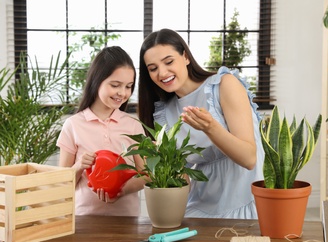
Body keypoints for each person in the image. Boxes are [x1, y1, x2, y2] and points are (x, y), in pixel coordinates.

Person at [138, 28, 264, 219]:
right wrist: (158, 165)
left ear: (186, 57)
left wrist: (210, 128)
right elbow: (184, 181)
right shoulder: (164, 113)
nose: (162, 73)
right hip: (201, 204)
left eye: (169, 62)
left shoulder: (223, 85)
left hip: (247, 200)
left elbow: (249, 159)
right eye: (153, 68)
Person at [57, 46, 148, 216]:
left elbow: (146, 175)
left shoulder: (133, 126)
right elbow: (62, 184)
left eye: (128, 86)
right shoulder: (73, 125)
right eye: (115, 85)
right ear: (97, 81)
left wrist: (121, 190)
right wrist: (79, 166)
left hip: (126, 219)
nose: (122, 93)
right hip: (84, 219)